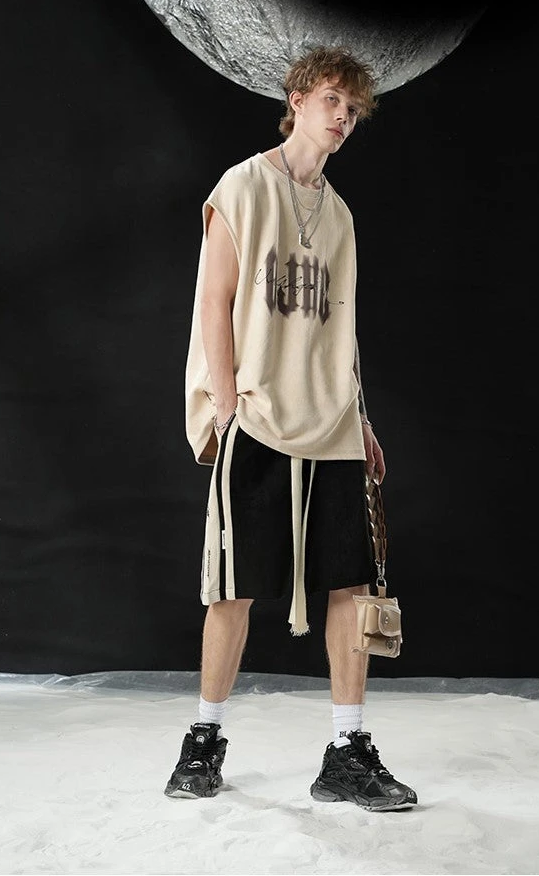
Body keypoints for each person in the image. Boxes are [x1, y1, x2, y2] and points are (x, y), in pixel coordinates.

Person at [164, 45, 417, 812]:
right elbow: (213, 302)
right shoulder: (244, 186)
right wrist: (228, 406)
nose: (344, 118)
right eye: (334, 100)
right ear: (298, 98)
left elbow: (343, 331)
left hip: (331, 418)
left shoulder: (339, 216)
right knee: (234, 588)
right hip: (259, 413)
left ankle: (347, 750)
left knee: (351, 585)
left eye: (354, 109)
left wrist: (361, 418)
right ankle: (203, 741)